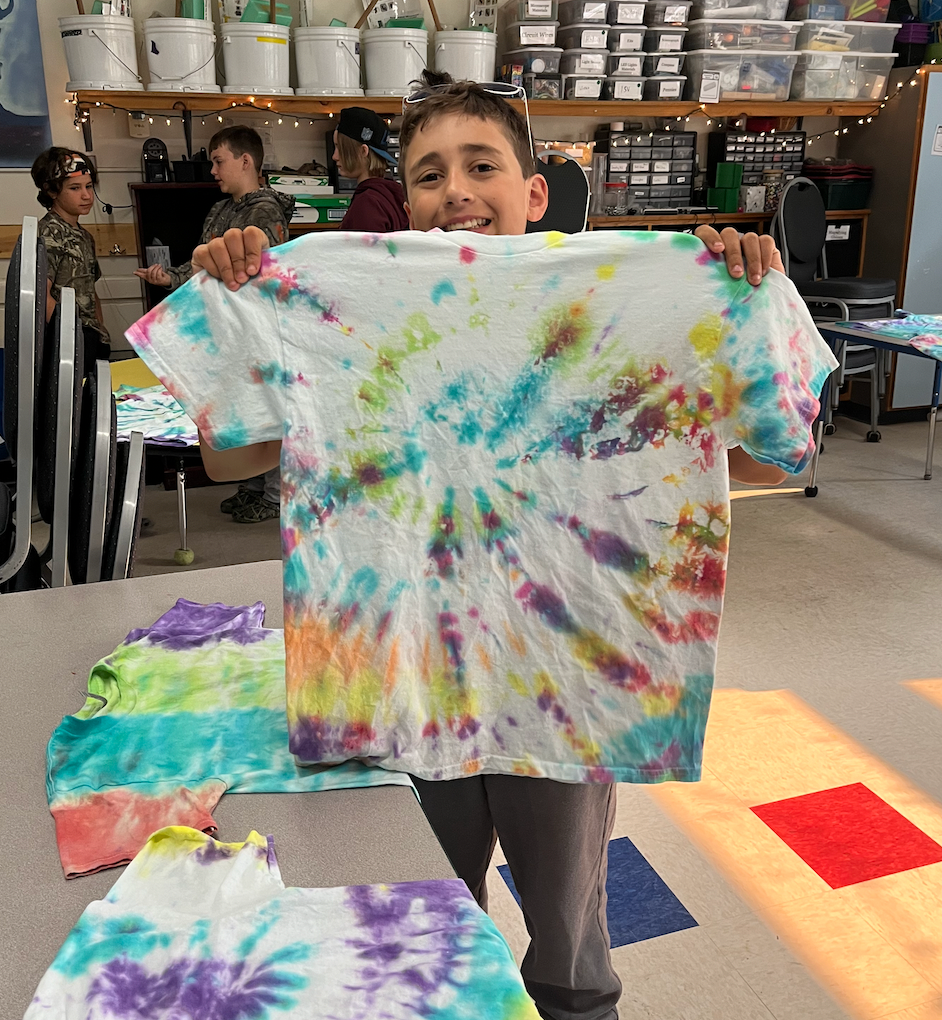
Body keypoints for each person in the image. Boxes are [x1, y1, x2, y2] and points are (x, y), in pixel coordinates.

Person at [149, 77, 824, 1020]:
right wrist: (231, 295)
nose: (456, 191)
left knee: (571, 954)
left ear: (534, 191)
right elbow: (229, 461)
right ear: (404, 199)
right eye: (429, 174)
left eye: (481, 166)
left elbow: (766, 459)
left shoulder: (632, 299)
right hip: (405, 684)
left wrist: (737, 293)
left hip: (566, 695)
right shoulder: (344, 307)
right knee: (423, 941)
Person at [135, 125, 294, 524]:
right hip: (225, 330)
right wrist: (169, 277)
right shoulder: (221, 210)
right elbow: (203, 265)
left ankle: (274, 495)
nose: (213, 170)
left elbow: (261, 274)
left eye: (219, 161)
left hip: (256, 331)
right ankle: (252, 486)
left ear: (246, 161)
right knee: (240, 408)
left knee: (267, 410)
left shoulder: (265, 211)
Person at [30, 147, 111, 378]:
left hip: (90, 336)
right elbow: (40, 294)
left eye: (89, 186)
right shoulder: (49, 233)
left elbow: (90, 290)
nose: (86, 196)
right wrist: (68, 338)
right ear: (51, 191)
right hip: (66, 340)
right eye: (75, 188)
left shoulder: (84, 236)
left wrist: (101, 332)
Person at [332, 107, 409, 232]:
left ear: (363, 151)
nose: (335, 156)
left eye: (340, 148)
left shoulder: (367, 204)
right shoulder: (392, 194)